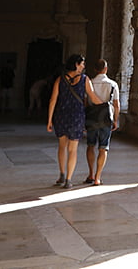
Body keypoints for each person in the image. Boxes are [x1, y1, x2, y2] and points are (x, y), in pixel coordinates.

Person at [47, 54, 101, 189]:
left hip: (61, 116)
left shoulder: (60, 79)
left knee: (62, 147)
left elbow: (53, 100)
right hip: (77, 117)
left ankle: (62, 174)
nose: (83, 66)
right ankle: (69, 180)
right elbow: (93, 98)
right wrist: (106, 105)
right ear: (76, 64)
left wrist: (49, 120)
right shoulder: (84, 80)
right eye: (82, 64)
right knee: (73, 150)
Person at [85, 59, 120, 186]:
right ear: (106, 69)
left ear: (95, 69)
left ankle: (91, 173)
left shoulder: (89, 83)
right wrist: (116, 120)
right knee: (103, 148)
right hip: (106, 118)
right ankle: (98, 178)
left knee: (90, 145)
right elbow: (116, 104)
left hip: (91, 117)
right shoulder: (112, 84)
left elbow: (85, 101)